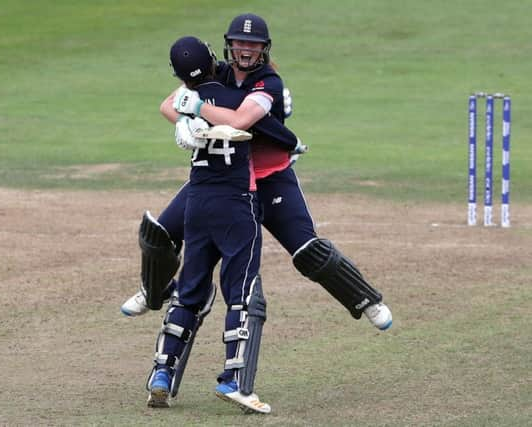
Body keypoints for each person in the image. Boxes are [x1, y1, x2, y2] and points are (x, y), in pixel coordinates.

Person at [123, 13, 393, 331]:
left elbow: (238, 120)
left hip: (268, 177)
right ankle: (155, 290)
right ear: (229, 45)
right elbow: (169, 104)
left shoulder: (269, 82)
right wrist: (183, 122)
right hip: (223, 179)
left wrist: (195, 108)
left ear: (263, 48)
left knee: (308, 251)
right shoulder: (216, 72)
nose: (245, 49)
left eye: (252, 43)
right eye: (239, 42)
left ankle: (366, 300)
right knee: (160, 236)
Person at [145, 35, 283, 414]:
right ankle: (233, 381)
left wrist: (186, 118)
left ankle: (162, 374)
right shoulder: (236, 100)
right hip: (237, 203)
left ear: (180, 76)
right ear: (213, 60)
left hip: (197, 204)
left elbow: (171, 106)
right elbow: (268, 131)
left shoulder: (186, 107)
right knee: (241, 292)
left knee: (190, 289)